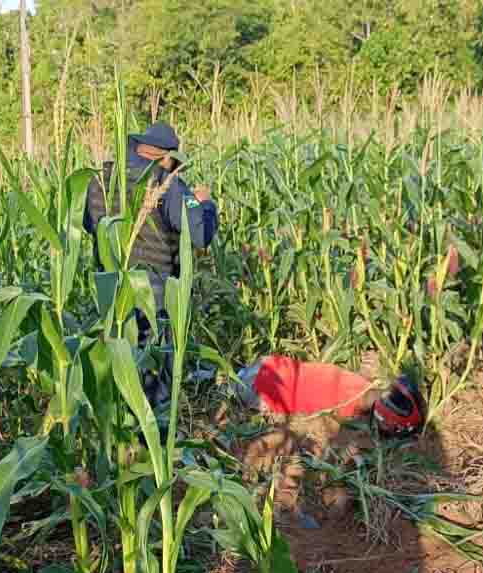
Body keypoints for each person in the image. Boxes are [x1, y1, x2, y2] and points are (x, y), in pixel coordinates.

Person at [85, 123, 219, 407]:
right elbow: (200, 234)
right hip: (152, 294)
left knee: (118, 358)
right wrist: (204, 204)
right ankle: (152, 438)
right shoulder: (164, 183)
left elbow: (89, 225)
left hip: (110, 289)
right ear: (167, 156)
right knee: (153, 368)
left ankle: (120, 428)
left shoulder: (99, 179)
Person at [236, 355, 426, 436]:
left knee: (220, 376)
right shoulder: (354, 404)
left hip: (265, 376)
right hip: (263, 383)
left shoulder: (355, 400)